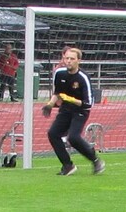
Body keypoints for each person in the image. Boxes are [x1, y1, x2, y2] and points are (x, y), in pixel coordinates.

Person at [42, 46, 104, 176]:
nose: (68, 61)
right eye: (67, 58)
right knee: (53, 134)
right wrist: (50, 104)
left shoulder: (83, 78)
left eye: (72, 59)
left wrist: (71, 99)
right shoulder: (59, 73)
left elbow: (88, 103)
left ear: (78, 61)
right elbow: (57, 92)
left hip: (80, 111)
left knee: (73, 138)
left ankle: (95, 160)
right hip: (65, 110)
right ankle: (67, 165)